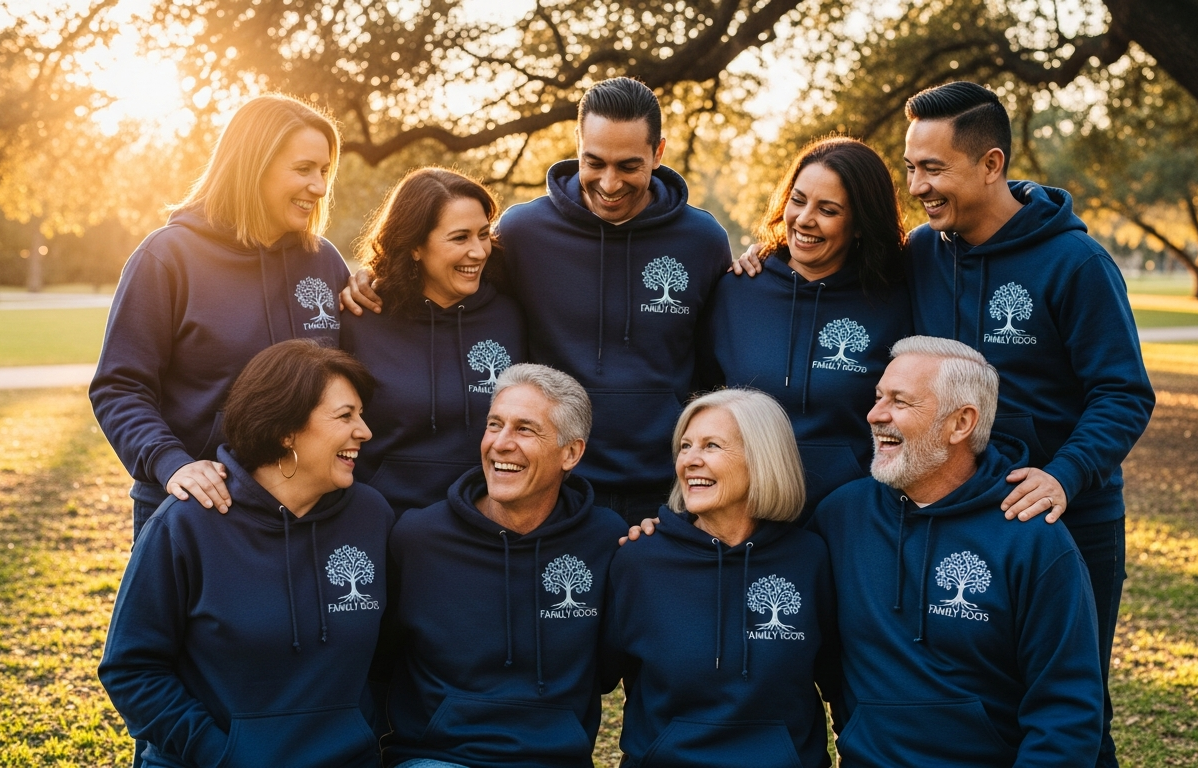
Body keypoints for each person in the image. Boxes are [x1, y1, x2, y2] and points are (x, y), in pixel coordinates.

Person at [730, 82, 1153, 765]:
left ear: (991, 164)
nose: (919, 185)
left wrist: (1064, 477)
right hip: (949, 497)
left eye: (934, 168)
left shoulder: (1076, 264)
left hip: (1058, 508)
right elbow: (837, 248)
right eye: (910, 167)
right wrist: (769, 250)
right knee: (950, 679)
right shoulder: (923, 252)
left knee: (1072, 703)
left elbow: (1123, 392)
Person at [344, 77, 733, 525]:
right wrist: (378, 276)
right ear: (577, 146)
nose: (609, 183)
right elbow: (451, 273)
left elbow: (713, 368)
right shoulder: (524, 231)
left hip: (665, 487)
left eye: (629, 166)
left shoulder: (702, 240)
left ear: (658, 153)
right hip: (553, 486)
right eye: (595, 162)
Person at [99, 340, 393, 768]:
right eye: (346, 416)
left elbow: (392, 657)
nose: (364, 431)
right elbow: (131, 669)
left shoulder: (372, 517)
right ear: (285, 429)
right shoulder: (188, 524)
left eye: (361, 415)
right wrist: (220, 755)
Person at [810, 336, 1103, 766]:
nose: (875, 415)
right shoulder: (840, 517)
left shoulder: (1030, 537)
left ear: (961, 423)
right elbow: (824, 658)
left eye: (900, 402)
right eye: (878, 397)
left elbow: (1067, 710)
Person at [90, 94, 352, 539]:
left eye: (324, 171)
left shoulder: (322, 259)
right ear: (254, 166)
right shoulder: (167, 257)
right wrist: (173, 464)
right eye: (303, 169)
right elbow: (120, 387)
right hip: (198, 507)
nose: (320, 187)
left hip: (306, 510)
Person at [374, 364, 627, 768]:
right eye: (495, 425)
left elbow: (609, 669)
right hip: (439, 759)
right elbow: (377, 666)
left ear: (571, 453)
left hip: (555, 761)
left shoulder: (605, 540)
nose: (500, 444)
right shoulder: (418, 538)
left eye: (525, 429)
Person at [604, 388, 836, 768]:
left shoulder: (811, 559)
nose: (690, 461)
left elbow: (836, 677)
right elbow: (603, 675)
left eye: (711, 446)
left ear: (762, 458)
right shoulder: (638, 560)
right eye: (685, 446)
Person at [705, 137, 912, 521]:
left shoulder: (896, 300)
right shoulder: (737, 290)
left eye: (828, 209)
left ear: (861, 225)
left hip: (853, 518)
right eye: (797, 200)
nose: (803, 219)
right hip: (748, 515)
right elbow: (701, 402)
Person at [340, 167, 526, 514]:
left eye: (483, 234)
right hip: (383, 520)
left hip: (480, 524)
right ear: (414, 246)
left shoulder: (512, 316)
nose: (478, 252)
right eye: (459, 238)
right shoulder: (361, 317)